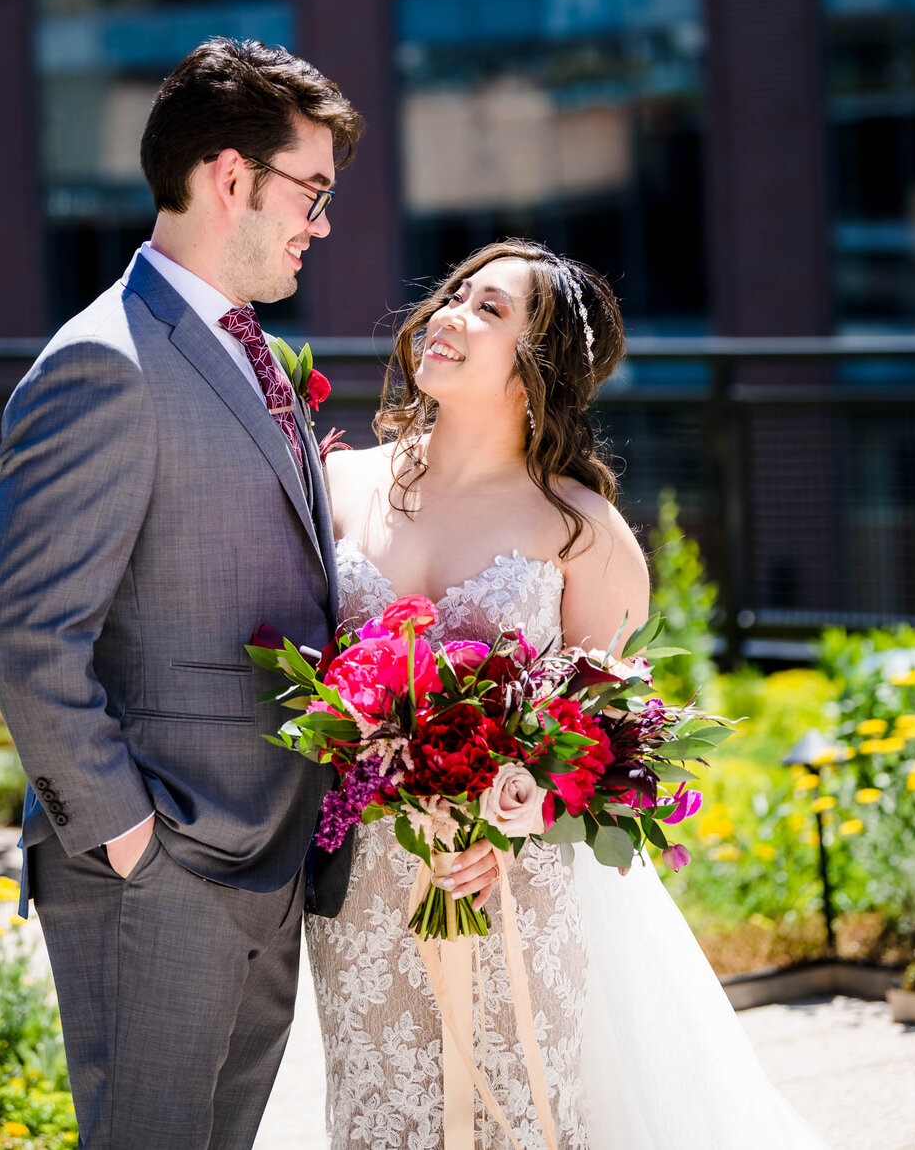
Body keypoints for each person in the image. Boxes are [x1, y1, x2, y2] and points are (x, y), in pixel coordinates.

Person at [306, 237, 831, 1150]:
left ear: (537, 367)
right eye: (455, 295)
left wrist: (517, 825)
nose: (447, 317)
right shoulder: (338, 484)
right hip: (362, 884)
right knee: (378, 1108)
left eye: (490, 309)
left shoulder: (580, 530)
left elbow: (608, 738)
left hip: (513, 887)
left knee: (527, 1113)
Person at [0, 37, 363, 1150]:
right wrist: (134, 843)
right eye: (313, 191)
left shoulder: (249, 352)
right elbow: (26, 630)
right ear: (231, 177)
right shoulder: (103, 361)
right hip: (163, 872)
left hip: (268, 854)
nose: (321, 223)